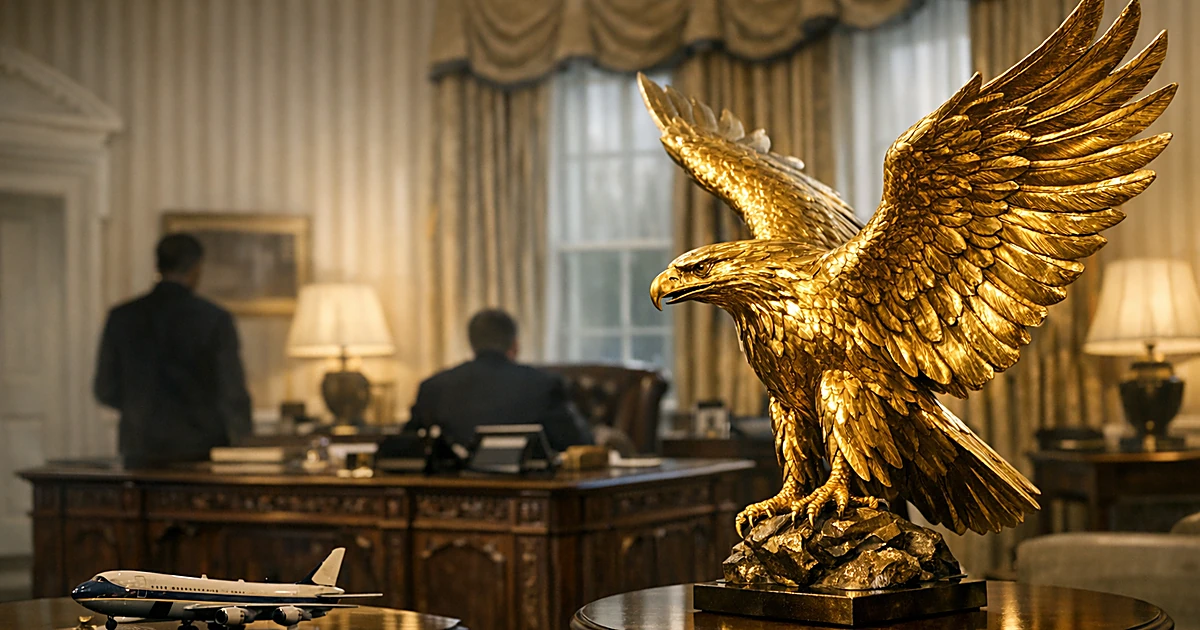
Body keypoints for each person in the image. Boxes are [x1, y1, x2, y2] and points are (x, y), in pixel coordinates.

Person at [94, 233, 252, 467]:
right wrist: (243, 442)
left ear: (157, 265)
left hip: (140, 444)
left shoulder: (122, 317)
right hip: (200, 444)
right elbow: (232, 391)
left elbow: (105, 389)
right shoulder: (214, 319)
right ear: (197, 268)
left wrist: (139, 406)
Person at [407, 309, 594, 453]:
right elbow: (580, 443)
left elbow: (407, 446)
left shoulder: (433, 387)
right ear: (515, 345)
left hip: (450, 493)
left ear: (472, 344)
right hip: (529, 494)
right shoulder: (545, 385)